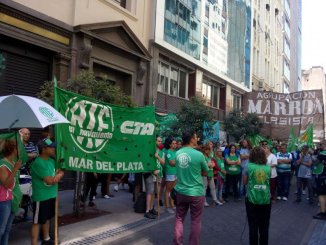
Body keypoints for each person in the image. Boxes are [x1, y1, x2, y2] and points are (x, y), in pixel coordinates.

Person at [173, 130, 209, 245]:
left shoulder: (178, 153)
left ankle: (178, 243)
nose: (197, 139)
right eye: (195, 137)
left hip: (181, 191)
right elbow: (206, 172)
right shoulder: (199, 155)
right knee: (195, 221)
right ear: (192, 139)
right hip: (196, 193)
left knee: (179, 219)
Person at [31, 138, 64, 245]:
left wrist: (59, 173)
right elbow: (51, 181)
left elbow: (57, 172)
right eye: (51, 147)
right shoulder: (38, 162)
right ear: (44, 149)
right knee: (37, 222)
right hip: (41, 197)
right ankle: (34, 242)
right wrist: (60, 174)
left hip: (51, 195)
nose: (54, 148)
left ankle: (46, 239)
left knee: (47, 218)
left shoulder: (51, 161)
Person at [243, 146, 271, 245]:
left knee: (253, 226)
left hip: (251, 200)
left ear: (252, 156)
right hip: (266, 200)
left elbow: (244, 182)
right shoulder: (268, 167)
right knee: (264, 226)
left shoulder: (248, 166)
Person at [0, 139, 22, 245]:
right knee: (1, 229)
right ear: (13, 150)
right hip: (4, 201)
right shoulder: (3, 165)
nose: (19, 150)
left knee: (7, 229)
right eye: (17, 148)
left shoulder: (13, 162)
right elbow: (6, 184)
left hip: (13, 200)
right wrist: (15, 170)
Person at [313, 140, 326, 219]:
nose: (319, 146)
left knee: (321, 195)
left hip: (323, 176)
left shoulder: (322, 154)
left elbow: (315, 162)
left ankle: (322, 213)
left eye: (320, 144)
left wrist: (313, 155)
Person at [164, 137, 177, 214]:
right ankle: (167, 207)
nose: (175, 144)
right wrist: (178, 161)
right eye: (173, 143)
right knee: (168, 190)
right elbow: (172, 163)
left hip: (175, 172)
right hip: (170, 173)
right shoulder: (168, 152)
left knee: (173, 189)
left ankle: (172, 205)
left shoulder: (175, 152)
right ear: (170, 144)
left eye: (175, 143)